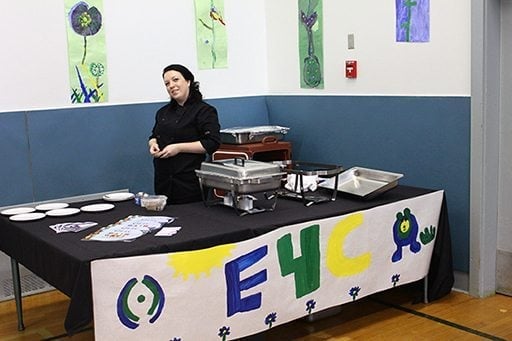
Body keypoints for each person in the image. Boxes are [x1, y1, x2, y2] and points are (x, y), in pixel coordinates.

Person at [148, 64, 221, 204]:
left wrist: (179, 148)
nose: (171, 86)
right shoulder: (162, 112)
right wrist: (153, 144)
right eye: (167, 83)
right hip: (163, 181)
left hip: (189, 181)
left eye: (176, 80)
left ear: (188, 81)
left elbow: (212, 143)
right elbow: (153, 136)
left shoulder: (204, 111)